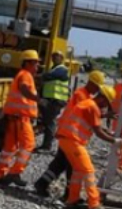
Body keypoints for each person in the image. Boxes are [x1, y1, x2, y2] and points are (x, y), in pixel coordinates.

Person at [34, 69, 106, 197]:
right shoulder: (81, 95)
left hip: (69, 134)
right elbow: (85, 115)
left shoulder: (85, 95)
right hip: (70, 135)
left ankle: (43, 184)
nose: (97, 90)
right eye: (97, 87)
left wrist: (102, 116)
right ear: (91, 83)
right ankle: (68, 194)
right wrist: (103, 116)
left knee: (61, 162)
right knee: (71, 164)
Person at [56, 84, 121, 209]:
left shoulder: (88, 103)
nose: (105, 107)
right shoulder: (93, 107)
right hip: (73, 141)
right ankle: (94, 204)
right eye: (106, 104)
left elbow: (95, 125)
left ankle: (72, 199)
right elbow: (98, 131)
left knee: (78, 171)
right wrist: (114, 140)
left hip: (67, 139)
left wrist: (109, 133)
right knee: (88, 170)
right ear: (102, 98)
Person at [0, 49, 40, 187]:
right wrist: (38, 99)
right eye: (36, 63)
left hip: (14, 117)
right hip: (21, 118)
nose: (37, 67)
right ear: (28, 63)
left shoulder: (23, 74)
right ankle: (14, 173)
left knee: (9, 148)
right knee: (29, 145)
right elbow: (24, 88)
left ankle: (0, 174)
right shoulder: (26, 75)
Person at [37, 51, 70, 152]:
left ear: (61, 58)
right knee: (47, 121)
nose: (54, 58)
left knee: (50, 122)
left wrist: (38, 76)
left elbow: (49, 76)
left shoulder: (62, 70)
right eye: (53, 56)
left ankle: (47, 146)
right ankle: (46, 145)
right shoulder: (53, 69)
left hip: (56, 100)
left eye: (57, 56)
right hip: (50, 99)